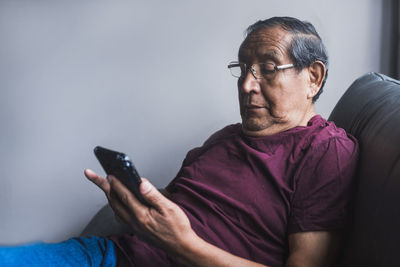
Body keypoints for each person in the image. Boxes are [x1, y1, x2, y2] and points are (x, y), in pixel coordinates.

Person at [0, 16, 358, 267]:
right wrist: (137, 208)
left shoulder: (326, 150)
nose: (247, 85)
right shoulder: (225, 138)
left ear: (313, 77)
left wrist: (182, 245)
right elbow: (172, 208)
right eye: (243, 68)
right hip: (108, 255)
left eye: (267, 67)